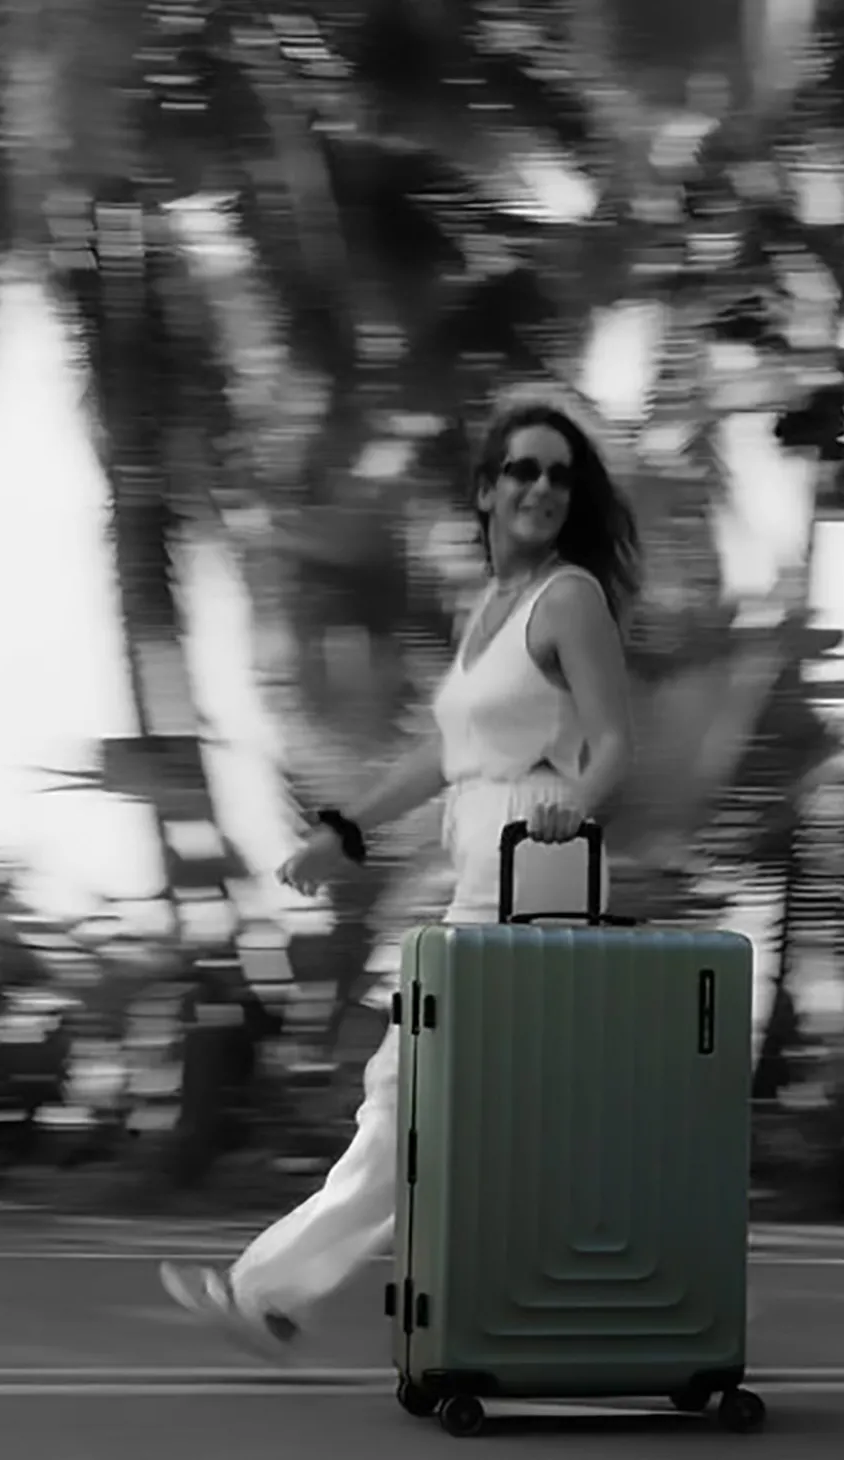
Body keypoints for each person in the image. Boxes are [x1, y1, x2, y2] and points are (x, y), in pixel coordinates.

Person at [160, 399, 641, 1355]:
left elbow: (616, 740)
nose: (542, 487)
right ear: (486, 490)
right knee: (442, 1097)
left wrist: (575, 807)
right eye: (524, 470)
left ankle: (271, 1291)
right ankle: (597, 1289)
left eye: (559, 474)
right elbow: (443, 753)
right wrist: (344, 830)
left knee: (416, 1085)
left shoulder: (570, 599)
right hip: (482, 856)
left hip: (535, 862)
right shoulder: (490, 610)